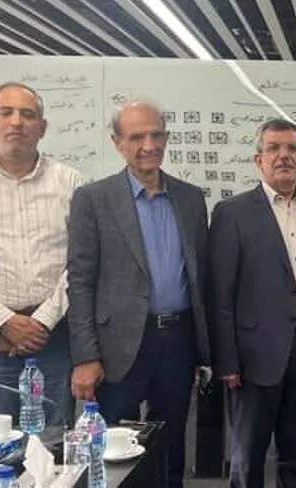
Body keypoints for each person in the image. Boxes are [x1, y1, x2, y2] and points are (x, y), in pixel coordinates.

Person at [66, 101, 212, 488]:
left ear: (166, 137)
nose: (149, 145)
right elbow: (79, 281)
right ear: (117, 142)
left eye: (156, 135)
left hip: (177, 341)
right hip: (116, 347)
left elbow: (199, 277)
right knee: (114, 452)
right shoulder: (93, 199)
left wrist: (201, 350)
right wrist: (85, 356)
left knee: (171, 446)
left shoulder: (191, 199)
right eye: (136, 137)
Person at [0, 82, 84, 427]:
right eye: (6, 112)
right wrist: (4, 320)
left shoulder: (71, 182)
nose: (16, 122)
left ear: (43, 127)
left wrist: (42, 321)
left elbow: (79, 262)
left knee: (54, 435)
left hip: (54, 334)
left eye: (27, 114)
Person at [209, 118, 296, 488]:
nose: (283, 156)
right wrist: (227, 360)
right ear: (258, 159)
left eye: (292, 148)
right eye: (274, 148)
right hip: (252, 357)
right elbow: (221, 293)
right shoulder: (232, 213)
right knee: (248, 458)